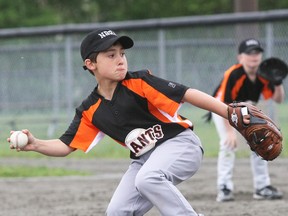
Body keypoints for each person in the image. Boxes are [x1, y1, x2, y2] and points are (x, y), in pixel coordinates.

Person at [9, 28, 239, 216]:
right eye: (111, 55)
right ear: (91, 64)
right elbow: (66, 145)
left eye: (122, 54)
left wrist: (229, 112)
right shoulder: (90, 109)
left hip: (180, 144)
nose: (120, 60)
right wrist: (35, 144)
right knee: (117, 211)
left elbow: (186, 93)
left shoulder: (139, 81)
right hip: (144, 160)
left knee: (148, 179)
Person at [210, 38, 285, 202]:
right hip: (221, 107)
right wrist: (230, 132)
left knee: (261, 140)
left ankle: (262, 187)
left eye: (257, 52)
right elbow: (224, 104)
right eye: (249, 53)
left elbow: (278, 99)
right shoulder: (234, 74)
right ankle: (224, 187)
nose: (254, 56)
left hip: (246, 108)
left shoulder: (264, 74)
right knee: (228, 143)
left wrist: (278, 83)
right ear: (240, 57)